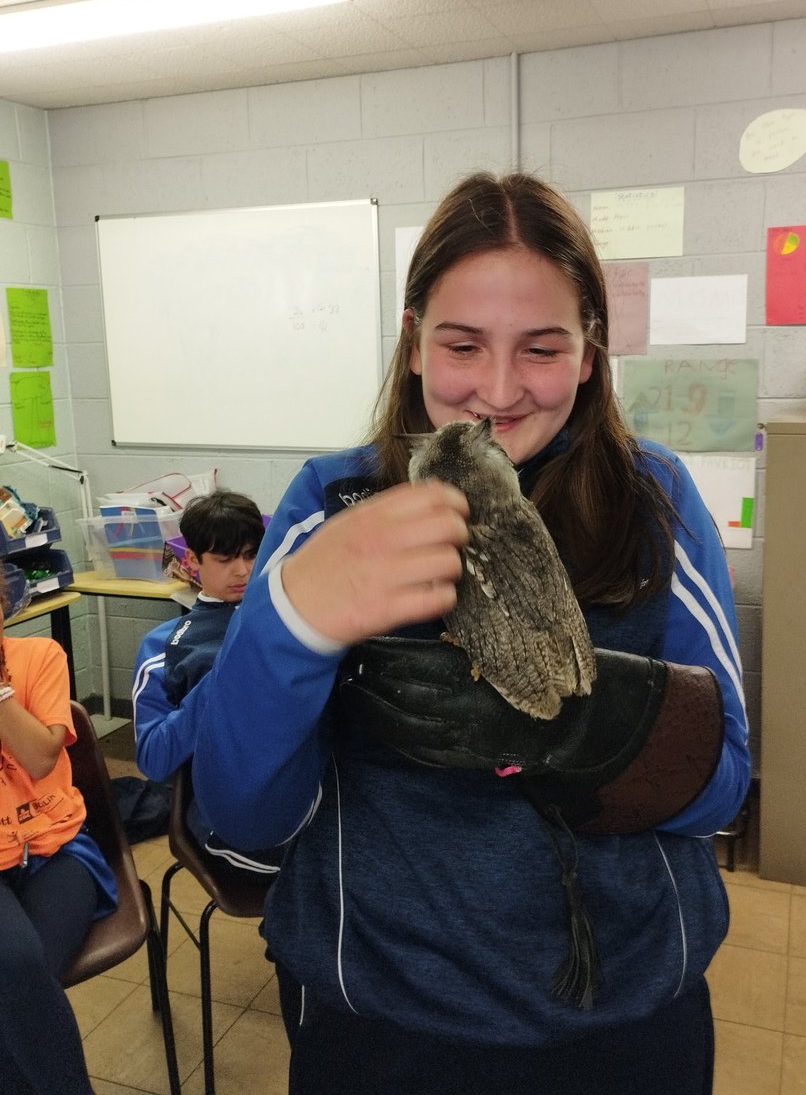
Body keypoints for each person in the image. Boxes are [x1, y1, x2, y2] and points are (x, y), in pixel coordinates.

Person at [192, 172, 751, 1094]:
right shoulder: (333, 503)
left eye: (541, 349)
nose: (497, 390)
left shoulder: (653, 502)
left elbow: (722, 788)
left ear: (588, 355)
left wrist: (583, 733)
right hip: (381, 1018)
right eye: (462, 345)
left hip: (620, 1013)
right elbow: (244, 816)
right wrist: (294, 623)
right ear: (414, 344)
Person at [0, 567, 117, 1095]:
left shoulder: (39, 658)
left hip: (57, 851)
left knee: (16, 977)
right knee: (15, 977)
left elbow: (40, 757)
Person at [131, 490, 281, 879]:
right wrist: (227, 676)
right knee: (325, 875)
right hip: (226, 811)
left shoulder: (286, 618)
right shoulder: (165, 645)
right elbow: (154, 759)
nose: (243, 571)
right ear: (193, 560)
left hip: (300, 787)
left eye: (251, 555)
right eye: (225, 558)